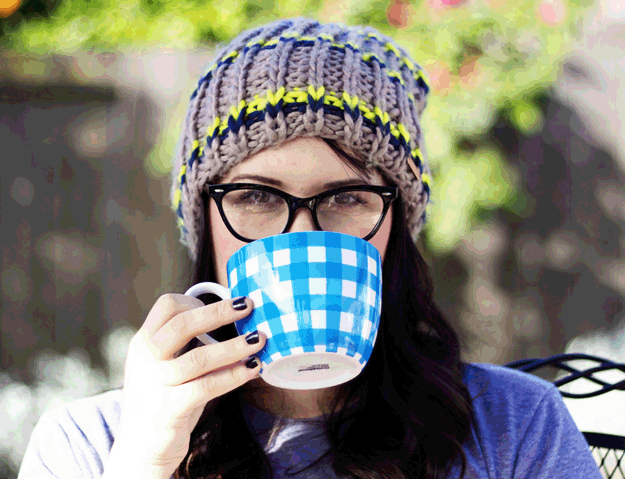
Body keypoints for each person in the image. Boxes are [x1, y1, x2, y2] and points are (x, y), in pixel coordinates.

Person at [18, 17, 602, 479]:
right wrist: (143, 464)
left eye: (347, 198)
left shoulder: (516, 427)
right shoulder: (90, 445)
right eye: (255, 196)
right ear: (204, 221)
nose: (302, 235)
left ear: (397, 224)